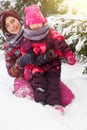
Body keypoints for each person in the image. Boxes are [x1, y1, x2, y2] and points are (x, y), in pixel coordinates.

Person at [0, 9, 75, 111]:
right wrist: (21, 62)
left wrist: (46, 57)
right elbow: (11, 71)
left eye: (12, 21)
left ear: (18, 19)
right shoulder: (9, 47)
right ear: (5, 31)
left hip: (45, 71)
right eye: (7, 26)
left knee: (68, 99)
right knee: (28, 98)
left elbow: (56, 48)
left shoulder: (36, 28)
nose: (12, 26)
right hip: (25, 77)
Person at [20, 4, 76, 110]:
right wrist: (27, 68)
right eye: (33, 23)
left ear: (43, 21)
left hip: (52, 65)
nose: (36, 25)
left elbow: (61, 44)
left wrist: (68, 54)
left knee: (53, 85)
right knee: (39, 85)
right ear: (28, 25)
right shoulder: (27, 39)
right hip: (37, 68)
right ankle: (40, 105)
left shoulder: (50, 33)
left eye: (38, 22)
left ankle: (55, 104)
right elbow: (27, 55)